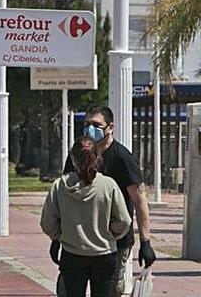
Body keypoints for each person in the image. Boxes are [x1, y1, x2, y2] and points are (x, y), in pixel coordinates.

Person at [56, 105, 157, 296]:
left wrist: (146, 242)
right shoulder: (77, 156)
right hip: (77, 244)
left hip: (114, 244)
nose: (89, 128)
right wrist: (57, 238)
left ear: (110, 128)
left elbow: (139, 200)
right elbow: (64, 197)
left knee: (110, 291)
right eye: (86, 124)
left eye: (96, 124)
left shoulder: (122, 158)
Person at [42, 136, 132, 297]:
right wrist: (112, 234)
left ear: (73, 159)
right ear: (97, 158)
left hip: (72, 253)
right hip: (104, 253)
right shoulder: (108, 185)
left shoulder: (60, 186)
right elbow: (124, 221)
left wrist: (62, 235)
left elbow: (47, 223)